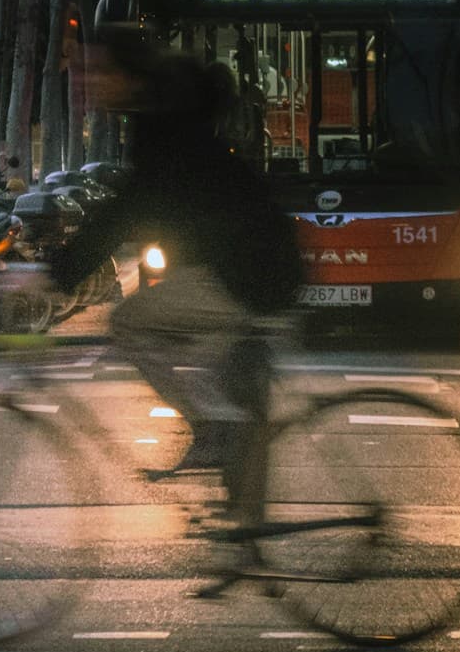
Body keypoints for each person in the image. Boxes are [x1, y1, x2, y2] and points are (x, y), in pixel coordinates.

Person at [47, 25, 303, 472]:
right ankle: (241, 517)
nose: (87, 82)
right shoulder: (172, 111)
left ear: (128, 75)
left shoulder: (164, 125)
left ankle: (212, 426)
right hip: (251, 265)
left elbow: (130, 206)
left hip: (247, 275)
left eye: (98, 70)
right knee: (227, 390)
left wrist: (56, 276)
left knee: (129, 321)